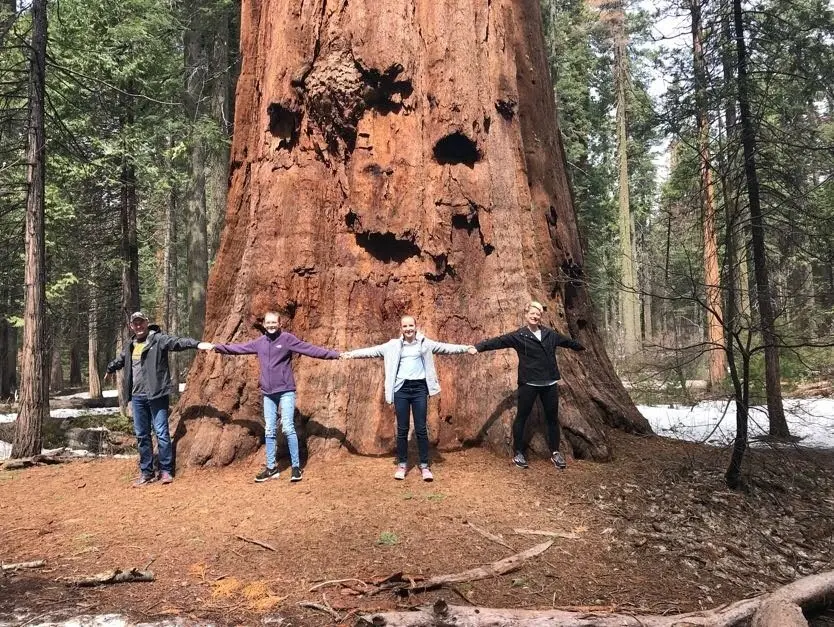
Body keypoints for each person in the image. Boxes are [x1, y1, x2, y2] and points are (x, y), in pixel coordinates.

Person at [208, 312, 340, 483]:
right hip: (268, 394)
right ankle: (271, 468)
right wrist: (216, 347)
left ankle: (295, 467)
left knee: (287, 427)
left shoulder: (287, 339)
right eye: (268, 322)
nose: (270, 325)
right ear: (263, 324)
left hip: (286, 391)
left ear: (279, 323)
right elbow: (239, 349)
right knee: (269, 430)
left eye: (273, 322)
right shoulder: (260, 343)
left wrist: (334, 354)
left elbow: (309, 349)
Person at [341, 315, 473, 481]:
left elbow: (445, 348)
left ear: (415, 327)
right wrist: (350, 354)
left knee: (420, 428)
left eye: (411, 325)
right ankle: (402, 464)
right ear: (401, 328)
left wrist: (465, 348)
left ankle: (424, 466)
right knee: (402, 429)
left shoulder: (424, 343)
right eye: (405, 326)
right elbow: (371, 351)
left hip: (419, 389)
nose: (408, 329)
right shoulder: (393, 346)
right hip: (401, 390)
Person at [472, 301, 584, 470]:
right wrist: (478, 348)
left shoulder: (549, 334)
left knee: (552, 419)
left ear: (540, 317)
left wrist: (582, 347)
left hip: (550, 382)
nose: (535, 316)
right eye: (532, 313)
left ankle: (555, 452)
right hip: (529, 383)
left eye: (537, 314)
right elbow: (498, 341)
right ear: (526, 314)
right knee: (522, 417)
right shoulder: (519, 336)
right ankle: (518, 453)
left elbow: (567, 342)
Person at [106, 311, 213, 487]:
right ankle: (146, 473)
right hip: (137, 397)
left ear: (147, 323)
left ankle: (166, 471)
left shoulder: (158, 339)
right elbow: (121, 360)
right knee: (142, 435)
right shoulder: (130, 345)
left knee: (161, 433)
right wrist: (110, 368)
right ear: (131, 326)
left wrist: (197, 344)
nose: (139, 326)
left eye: (141, 323)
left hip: (156, 395)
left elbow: (177, 342)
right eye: (135, 324)